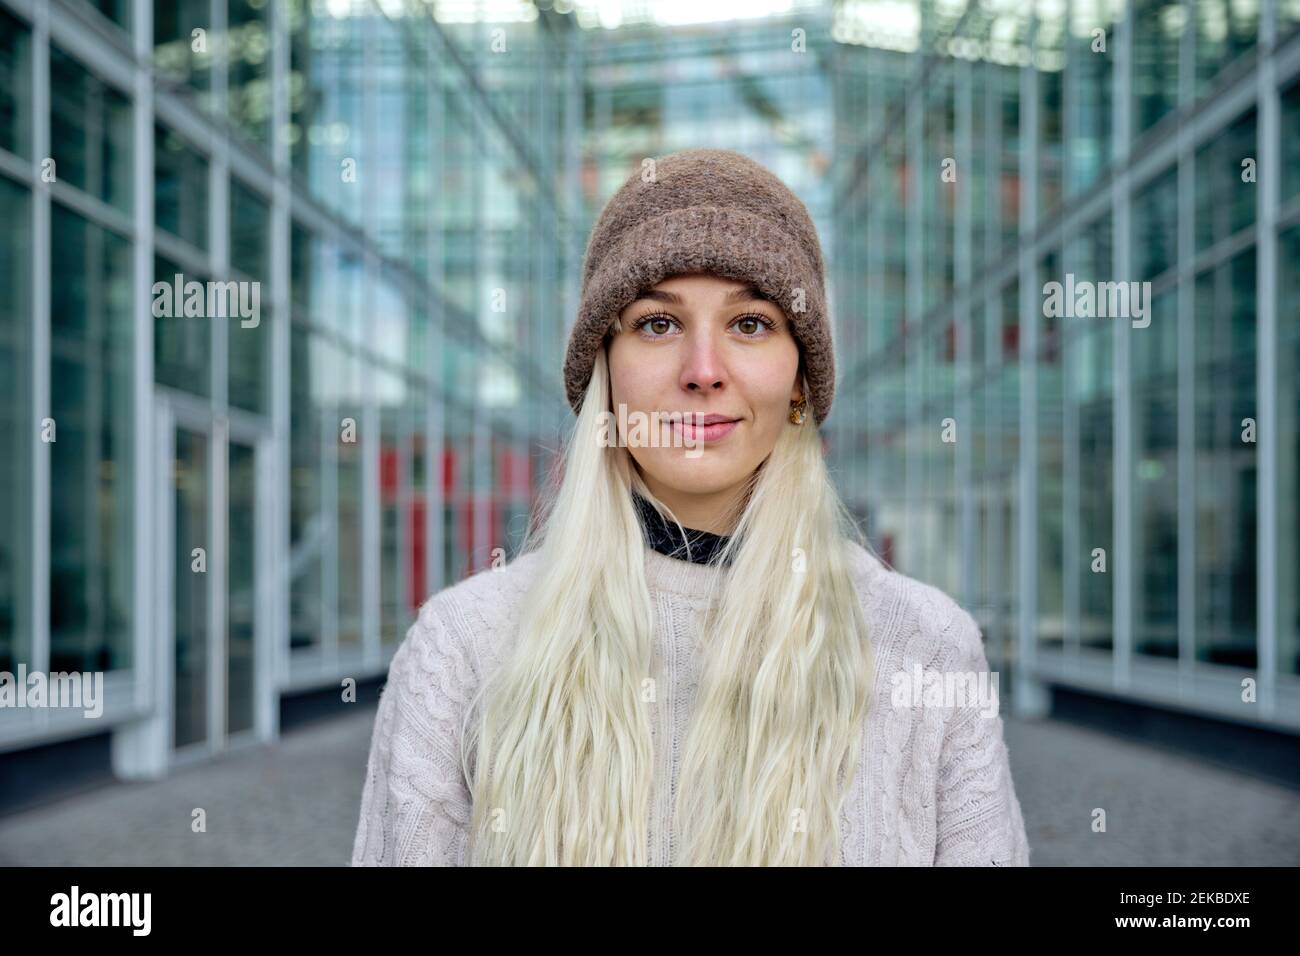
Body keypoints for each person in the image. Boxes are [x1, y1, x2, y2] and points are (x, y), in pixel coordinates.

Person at [351, 148, 1031, 866]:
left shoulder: (928, 650)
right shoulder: (462, 649)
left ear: (801, 378)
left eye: (749, 324)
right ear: (604, 372)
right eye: (657, 324)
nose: (703, 372)